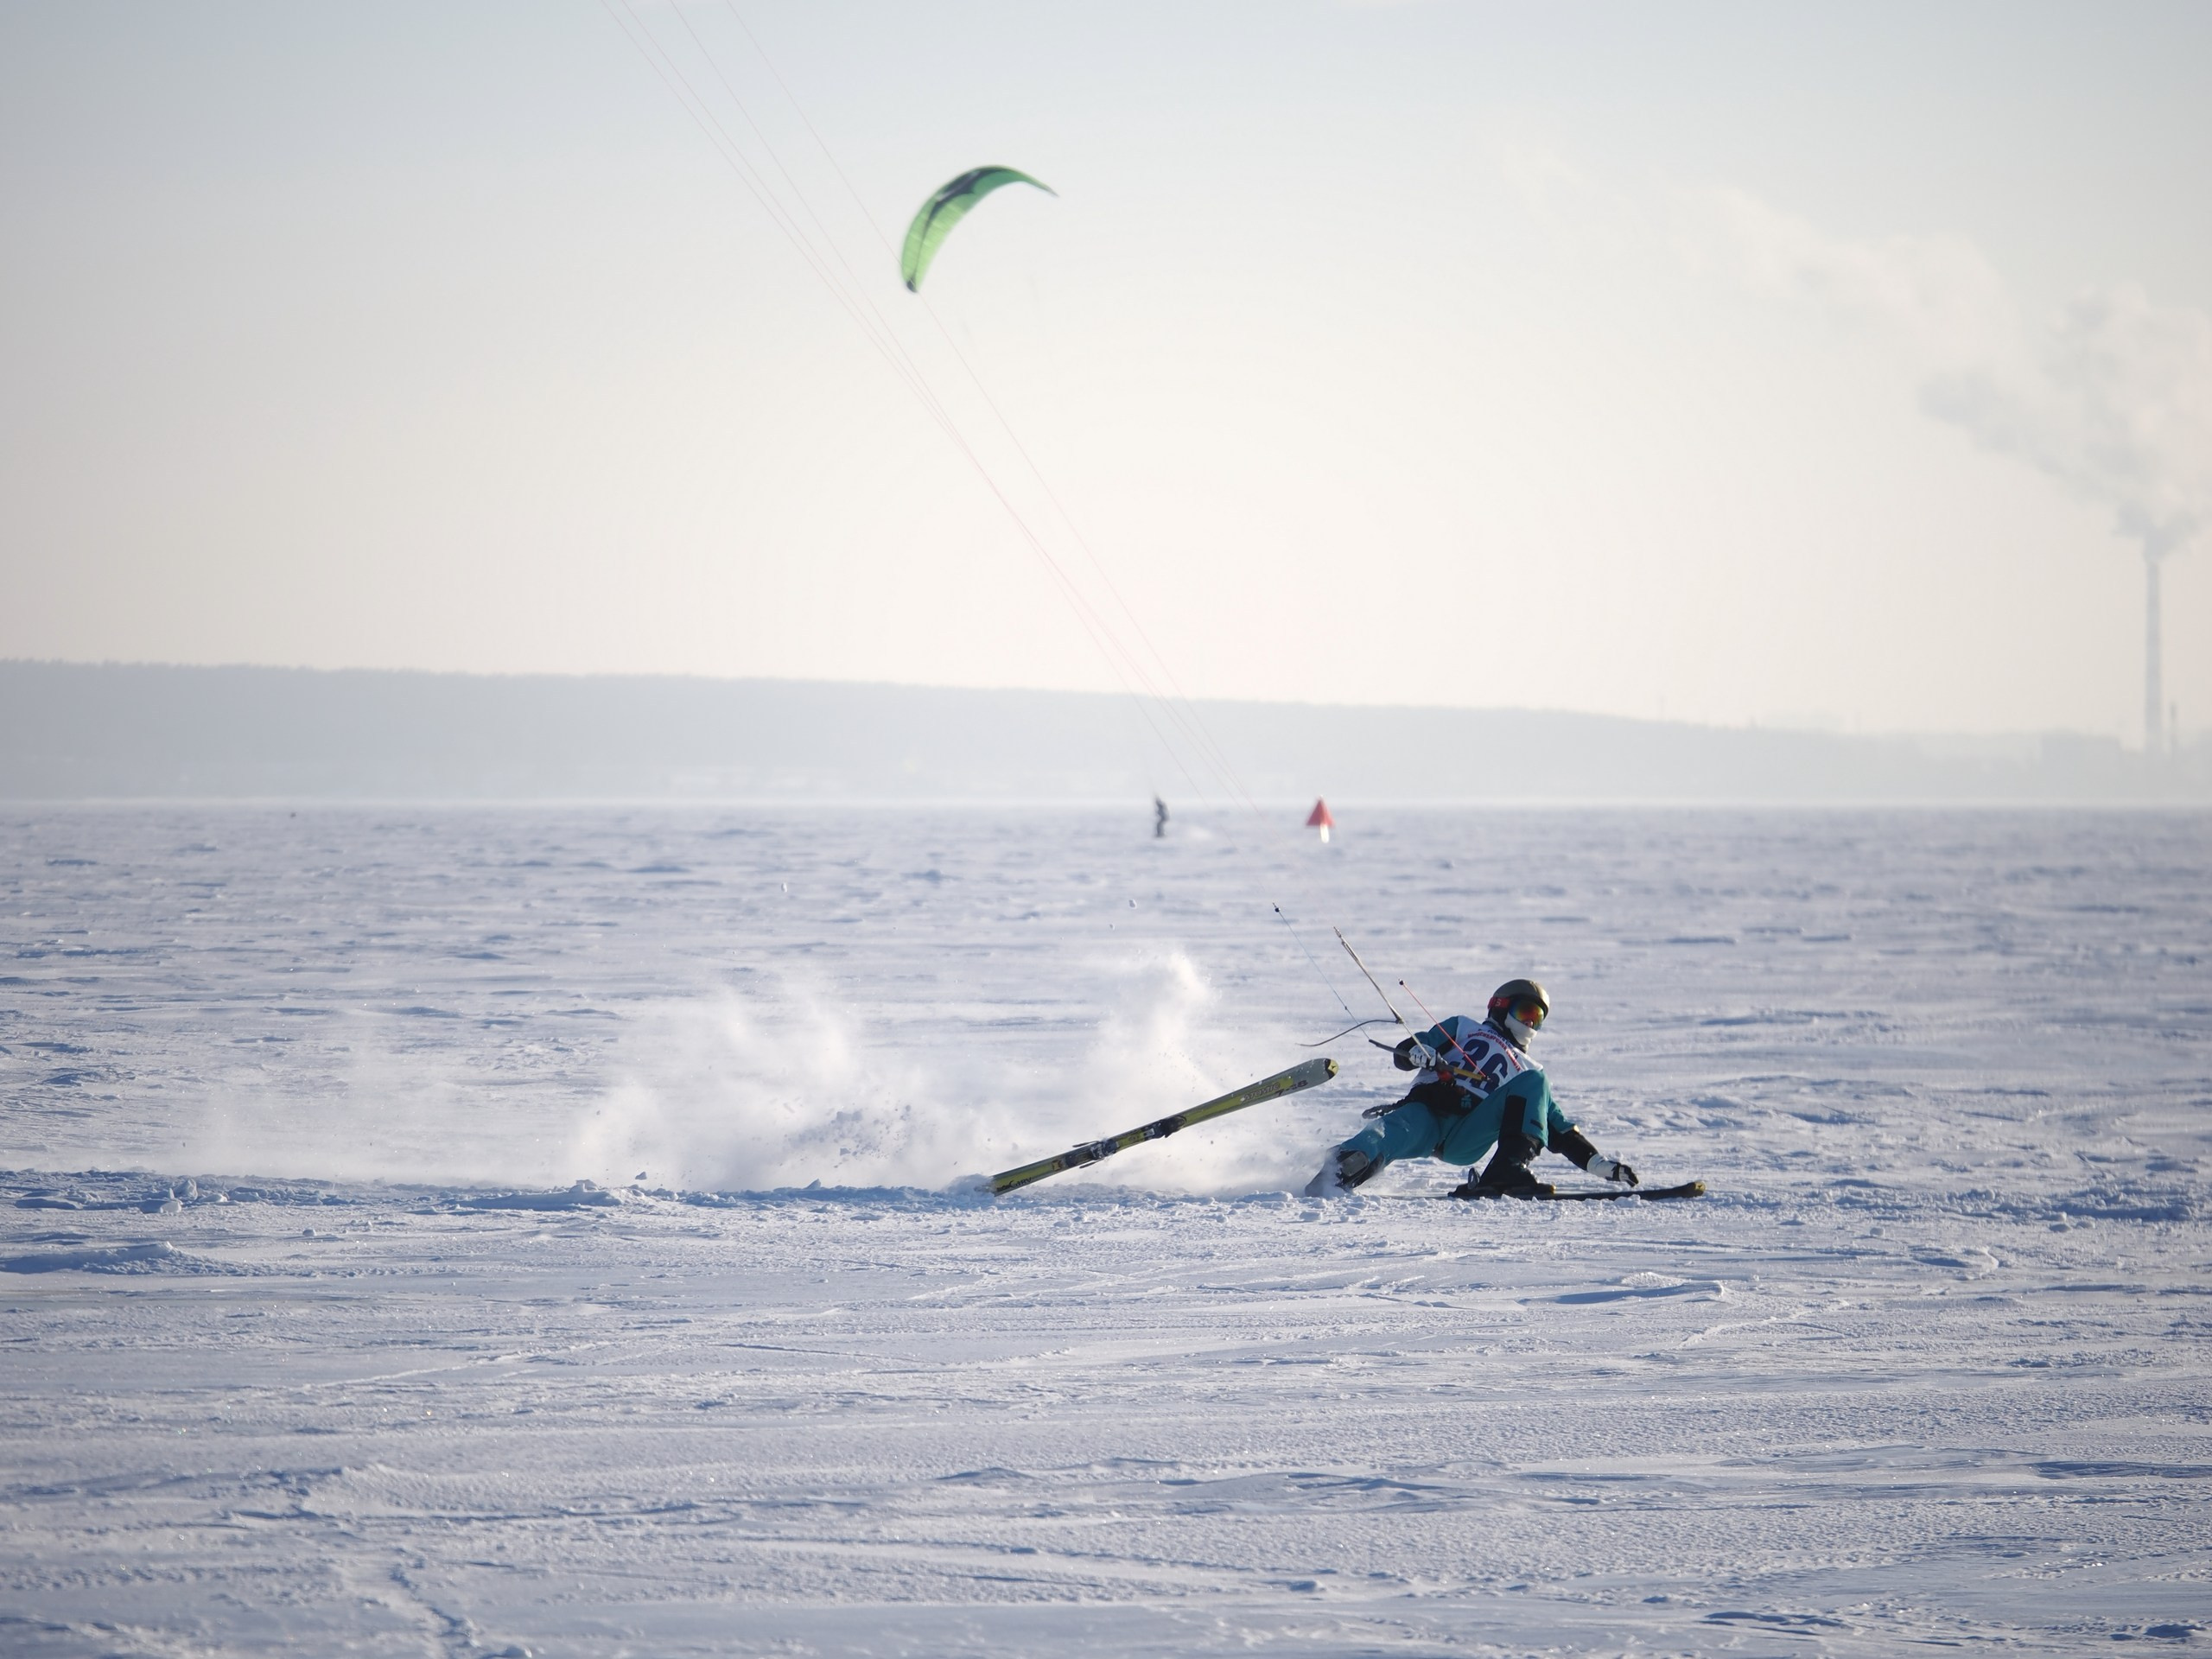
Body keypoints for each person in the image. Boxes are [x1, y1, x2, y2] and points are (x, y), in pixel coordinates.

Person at [1303, 978, 1639, 1198]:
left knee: (1536, 1083)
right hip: (1430, 1111)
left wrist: (1599, 1164)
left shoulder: (1530, 1073)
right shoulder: (1462, 1026)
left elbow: (1559, 1130)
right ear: (1501, 1006)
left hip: (1469, 1132)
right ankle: (1341, 1168)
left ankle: (1506, 1171)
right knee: (1394, 1129)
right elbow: (1407, 1051)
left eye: (1537, 1018)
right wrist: (1419, 1051)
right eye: (1525, 1011)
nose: (1529, 1023)